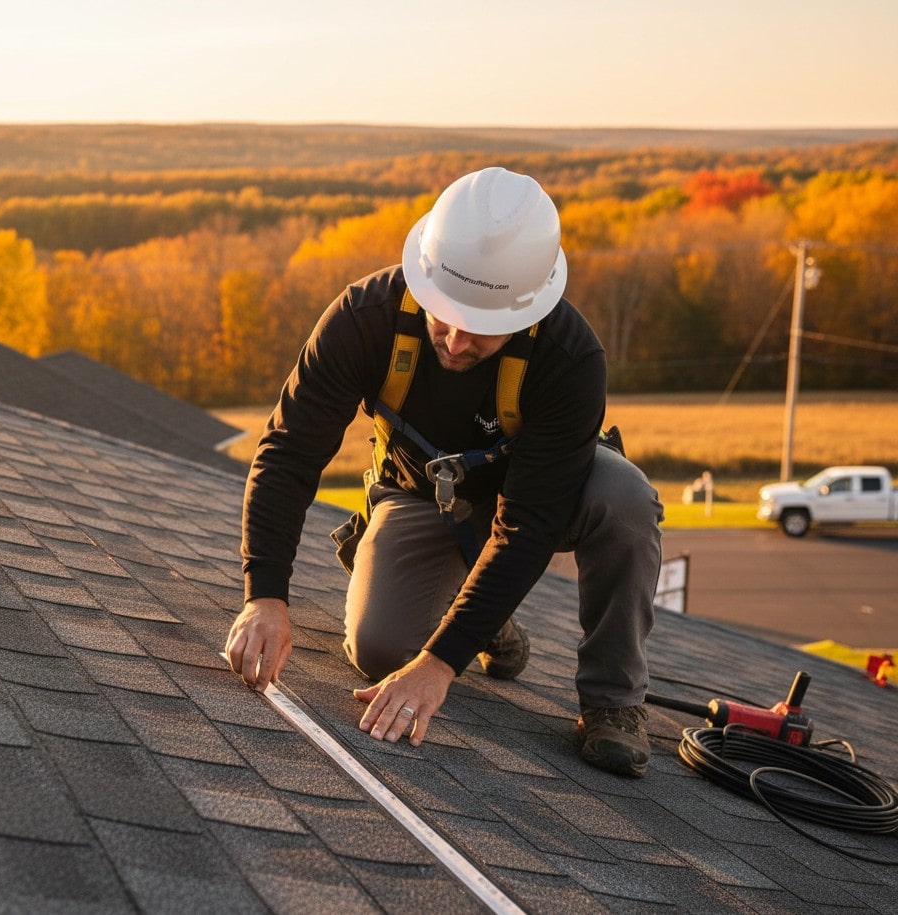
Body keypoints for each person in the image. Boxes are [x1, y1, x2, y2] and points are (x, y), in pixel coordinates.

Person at [225, 166, 664, 778]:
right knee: (379, 649)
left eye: (482, 328)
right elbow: (289, 452)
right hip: (419, 498)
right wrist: (265, 593)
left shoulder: (569, 358)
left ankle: (614, 703)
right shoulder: (364, 319)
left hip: (538, 501)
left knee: (625, 496)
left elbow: (528, 525)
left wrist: (440, 665)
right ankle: (481, 614)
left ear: (527, 309)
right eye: (444, 316)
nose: (456, 342)